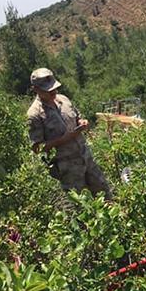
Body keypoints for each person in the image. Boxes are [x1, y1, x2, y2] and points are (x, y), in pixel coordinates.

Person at [26, 68, 112, 199]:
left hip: (85, 157)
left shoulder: (64, 100)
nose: (53, 92)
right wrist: (64, 139)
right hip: (67, 168)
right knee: (82, 206)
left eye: (54, 88)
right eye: (48, 91)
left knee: (104, 195)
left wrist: (82, 122)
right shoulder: (34, 114)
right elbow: (37, 148)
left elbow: (77, 116)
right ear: (35, 89)